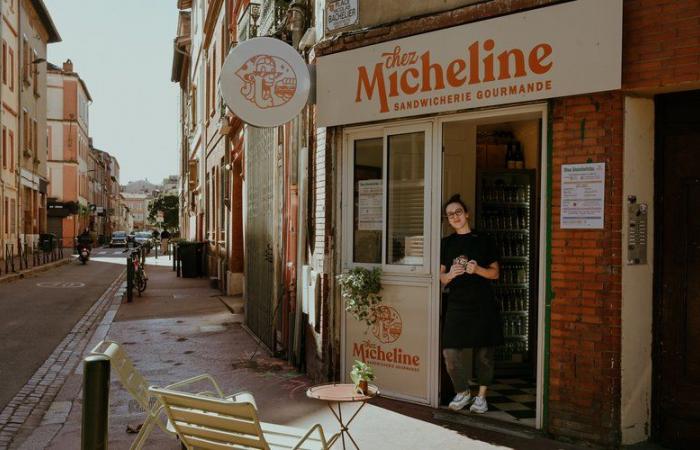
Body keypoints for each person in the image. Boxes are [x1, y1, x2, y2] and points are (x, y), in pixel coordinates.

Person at [439, 193, 502, 414]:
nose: (454, 217)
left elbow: (495, 273)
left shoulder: (484, 240)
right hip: (457, 303)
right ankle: (463, 391)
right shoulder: (446, 244)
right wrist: (451, 275)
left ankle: (481, 397)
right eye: (450, 215)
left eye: (458, 212)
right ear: (448, 220)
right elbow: (441, 277)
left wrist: (477, 270)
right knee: (449, 352)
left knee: (484, 354)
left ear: (466, 214)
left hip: (482, 302)